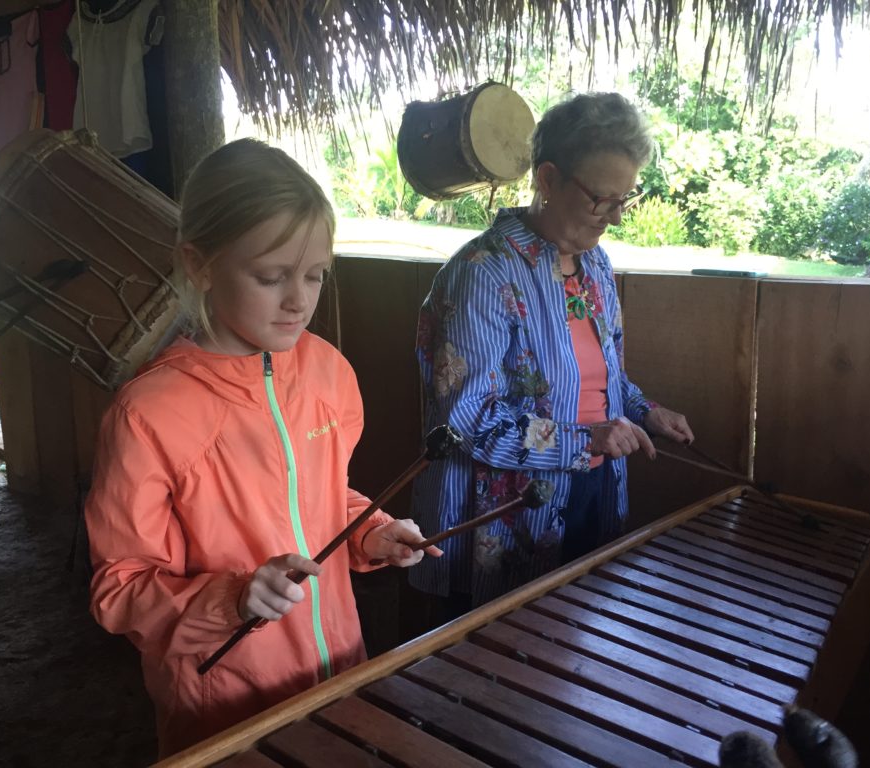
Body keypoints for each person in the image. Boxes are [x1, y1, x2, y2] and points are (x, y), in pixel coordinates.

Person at [84, 138, 441, 757]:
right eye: (271, 277)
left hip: (338, 676)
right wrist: (232, 599)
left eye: (315, 275)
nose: (299, 299)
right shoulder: (147, 414)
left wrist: (371, 533)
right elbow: (119, 586)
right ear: (199, 264)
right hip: (225, 707)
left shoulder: (329, 374)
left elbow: (320, 498)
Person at [409, 92, 693, 616]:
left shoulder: (595, 266)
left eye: (622, 202)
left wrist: (642, 411)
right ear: (546, 180)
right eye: (599, 199)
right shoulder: (482, 273)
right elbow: (467, 424)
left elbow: (601, 378)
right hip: (507, 514)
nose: (612, 217)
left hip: (594, 490)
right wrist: (588, 439)